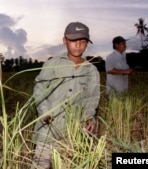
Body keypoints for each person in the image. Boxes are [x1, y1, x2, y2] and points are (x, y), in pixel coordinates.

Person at [31, 22, 100, 169]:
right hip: (48, 128)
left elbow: (91, 97)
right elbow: (39, 88)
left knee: (67, 164)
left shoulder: (91, 70)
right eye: (74, 41)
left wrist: (88, 116)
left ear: (87, 43)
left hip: (73, 130)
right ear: (64, 41)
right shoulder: (53, 64)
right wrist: (45, 112)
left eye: (83, 41)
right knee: (40, 164)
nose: (78, 45)